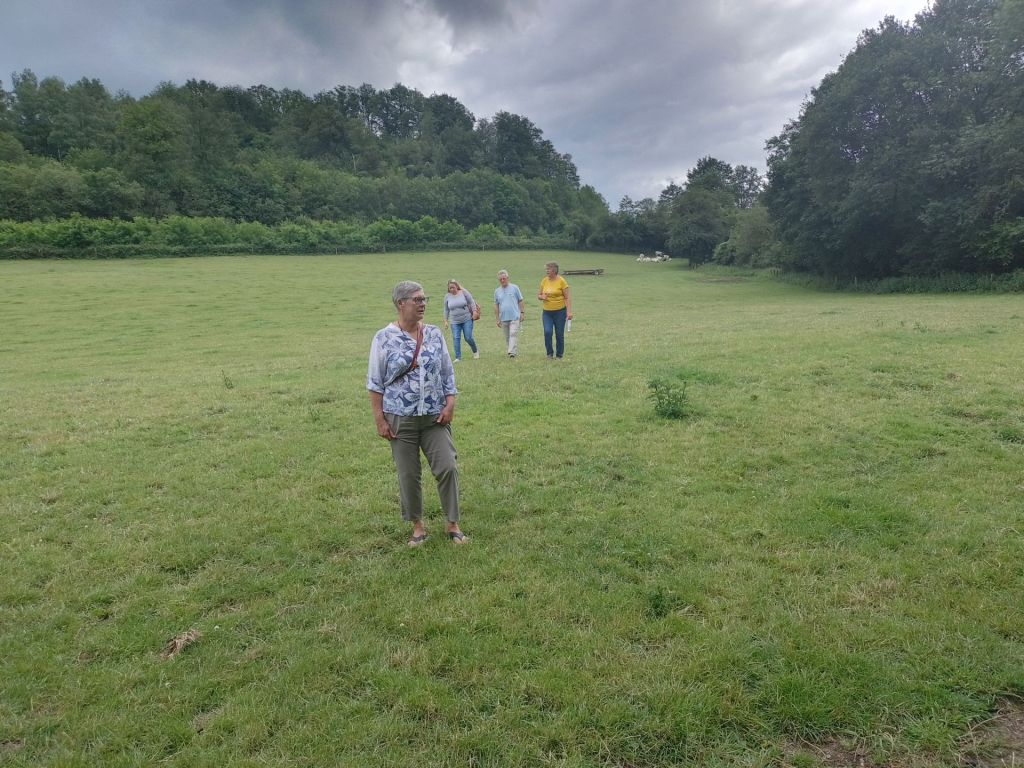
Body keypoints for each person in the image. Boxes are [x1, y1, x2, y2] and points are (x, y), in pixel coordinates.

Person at [367, 281, 468, 547]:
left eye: (424, 299)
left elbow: (447, 371)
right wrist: (379, 419)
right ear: (401, 303)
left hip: (435, 416)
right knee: (408, 474)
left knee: (447, 467)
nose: (423, 304)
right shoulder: (383, 338)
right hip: (400, 417)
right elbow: (375, 383)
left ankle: (453, 523)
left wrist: (450, 403)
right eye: (417, 299)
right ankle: (418, 526)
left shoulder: (433, 334)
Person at [538, 261, 573, 359]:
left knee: (559, 334)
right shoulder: (544, 281)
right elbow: (539, 295)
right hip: (547, 312)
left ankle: (559, 355)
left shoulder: (562, 281)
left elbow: (567, 298)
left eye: (548, 269)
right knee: (547, 332)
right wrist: (542, 297)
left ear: (554, 270)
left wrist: (569, 312)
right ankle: (549, 354)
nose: (546, 271)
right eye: (546, 269)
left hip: (560, 312)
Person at [442, 279, 479, 362]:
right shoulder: (447, 296)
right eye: (450, 288)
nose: (452, 289)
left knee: (468, 337)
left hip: (467, 319)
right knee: (456, 338)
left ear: (457, 286)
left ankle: (475, 351)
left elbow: (471, 301)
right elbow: (446, 309)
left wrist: (474, 311)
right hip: (454, 321)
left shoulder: (463, 292)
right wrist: (446, 320)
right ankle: (458, 357)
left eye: (453, 287)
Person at [493, 269, 525, 358]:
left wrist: (522, 313)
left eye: (504, 278)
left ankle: (511, 353)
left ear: (508, 278)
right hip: (503, 317)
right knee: (507, 337)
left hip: (515, 316)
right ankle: (512, 351)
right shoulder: (497, 291)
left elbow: (521, 300)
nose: (502, 280)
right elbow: (496, 305)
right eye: (500, 279)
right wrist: (497, 318)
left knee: (513, 334)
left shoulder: (515, 288)